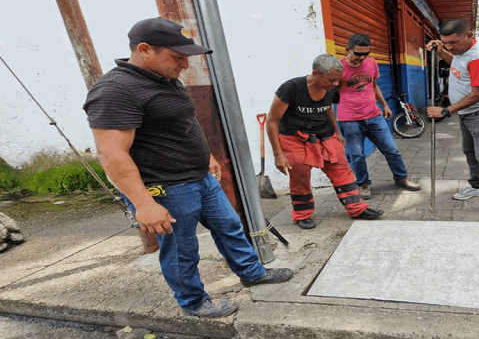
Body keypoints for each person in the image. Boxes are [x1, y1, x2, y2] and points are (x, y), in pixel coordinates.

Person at [83, 17, 293, 319]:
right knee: (182, 249)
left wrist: (205, 155)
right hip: (166, 188)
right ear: (144, 50)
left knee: (230, 227)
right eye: (177, 56)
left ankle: (251, 272)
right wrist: (144, 204)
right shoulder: (117, 91)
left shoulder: (164, 79)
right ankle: (193, 302)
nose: (185, 64)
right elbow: (112, 154)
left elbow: (182, 122)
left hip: (199, 178)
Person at [266, 53, 384, 230]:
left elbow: (328, 108)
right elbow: (272, 121)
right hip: (294, 137)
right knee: (300, 175)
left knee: (342, 170)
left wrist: (337, 133)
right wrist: (278, 155)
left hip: (324, 135)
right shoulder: (291, 88)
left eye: (338, 80)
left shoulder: (331, 87)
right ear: (316, 73)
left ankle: (357, 209)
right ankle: (302, 215)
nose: (336, 84)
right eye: (332, 80)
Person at [425, 19, 479, 222]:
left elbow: (478, 94)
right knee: (470, 153)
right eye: (445, 42)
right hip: (468, 114)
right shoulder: (461, 53)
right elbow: (457, 66)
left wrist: (446, 111)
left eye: (453, 42)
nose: (450, 47)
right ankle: (477, 186)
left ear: (469, 35)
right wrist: (441, 52)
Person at [336, 33, 420, 199]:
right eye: (358, 53)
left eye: (366, 53)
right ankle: (363, 184)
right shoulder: (338, 68)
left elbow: (374, 86)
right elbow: (329, 94)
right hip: (349, 118)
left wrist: (385, 105)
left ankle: (401, 178)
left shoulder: (371, 63)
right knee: (357, 155)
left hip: (374, 115)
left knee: (391, 150)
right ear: (348, 49)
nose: (362, 57)